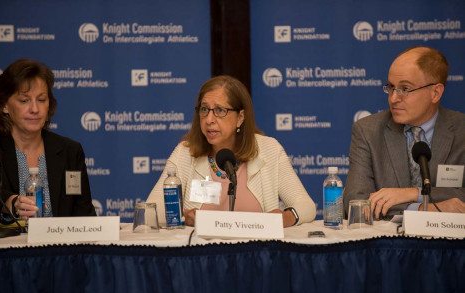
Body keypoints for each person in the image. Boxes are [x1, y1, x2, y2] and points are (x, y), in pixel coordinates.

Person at [147, 75, 316, 227]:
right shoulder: (185, 153)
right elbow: (150, 212)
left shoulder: (268, 150)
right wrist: (183, 217)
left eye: (220, 111)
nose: (209, 120)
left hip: (256, 253)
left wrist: (285, 218)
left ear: (240, 118)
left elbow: (306, 206)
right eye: (204, 110)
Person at [344, 46, 465, 219]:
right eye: (391, 87)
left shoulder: (462, 131)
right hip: (389, 244)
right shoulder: (367, 131)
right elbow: (356, 203)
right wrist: (426, 210)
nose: (393, 98)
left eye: (405, 89)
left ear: (435, 93)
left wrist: (412, 194)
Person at [0, 59, 96, 224]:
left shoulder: (70, 151)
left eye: (41, 100)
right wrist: (9, 203)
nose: (35, 109)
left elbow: (84, 215)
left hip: (61, 248)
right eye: (24, 101)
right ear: (5, 106)